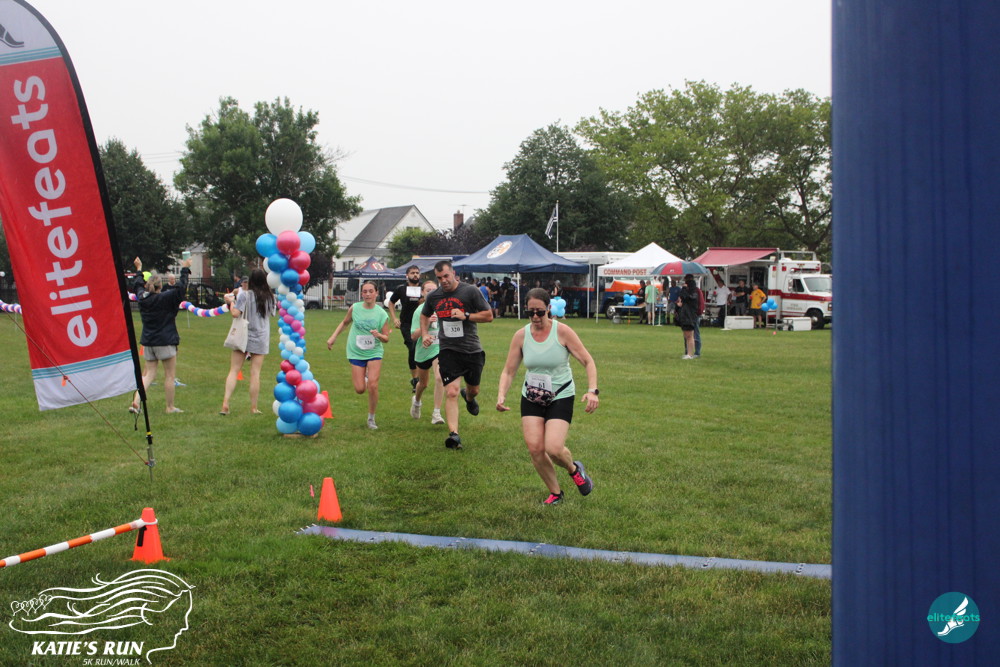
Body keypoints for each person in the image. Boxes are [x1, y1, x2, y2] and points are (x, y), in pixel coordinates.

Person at [496, 288, 598, 505]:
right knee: (535, 448)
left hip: (560, 394)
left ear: (549, 309)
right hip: (532, 395)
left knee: (553, 448)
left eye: (540, 312)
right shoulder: (521, 336)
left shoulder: (563, 332)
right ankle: (556, 493)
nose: (535, 317)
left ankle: (574, 469)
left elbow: (588, 361)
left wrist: (592, 390)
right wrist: (501, 395)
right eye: (530, 312)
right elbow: (509, 371)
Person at [419, 260, 493, 449]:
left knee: (474, 389)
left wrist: (466, 315)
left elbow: (488, 315)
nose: (443, 280)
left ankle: (469, 397)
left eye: (446, 276)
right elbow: (424, 315)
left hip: (471, 350)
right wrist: (425, 334)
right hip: (448, 350)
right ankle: (454, 435)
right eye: (439, 278)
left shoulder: (470, 291)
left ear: (453, 273)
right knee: (451, 391)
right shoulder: (434, 296)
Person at [129, 257, 192, 414]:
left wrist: (139, 269)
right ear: (160, 286)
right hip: (165, 340)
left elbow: (137, 285)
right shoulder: (165, 298)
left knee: (149, 375)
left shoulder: (143, 298)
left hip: (149, 342)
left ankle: (136, 401)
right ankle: (170, 407)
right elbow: (181, 288)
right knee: (169, 376)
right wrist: (184, 269)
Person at [326, 281, 391, 429]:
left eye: (371, 291)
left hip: (374, 351)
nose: (367, 294)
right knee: (360, 389)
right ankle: (365, 376)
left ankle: (371, 418)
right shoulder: (355, 308)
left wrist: (379, 335)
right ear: (361, 294)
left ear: (376, 293)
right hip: (356, 351)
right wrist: (333, 337)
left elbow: (386, 338)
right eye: (365, 291)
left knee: (373, 386)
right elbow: (345, 323)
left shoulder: (381, 313)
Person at [220, 269, 276, 415]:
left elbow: (235, 313)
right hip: (261, 336)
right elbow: (272, 314)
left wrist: (231, 302)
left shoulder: (245, 295)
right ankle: (253, 407)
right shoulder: (270, 297)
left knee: (234, 370)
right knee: (255, 373)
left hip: (243, 335)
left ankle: (225, 403)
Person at [410, 280, 445, 424]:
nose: (431, 293)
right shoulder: (419, 311)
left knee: (440, 377)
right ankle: (417, 401)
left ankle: (436, 413)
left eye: (434, 290)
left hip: (439, 348)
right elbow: (413, 336)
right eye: (428, 290)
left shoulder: (443, 307)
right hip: (424, 350)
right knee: (423, 384)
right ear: (422, 293)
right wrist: (428, 322)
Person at [387, 265, 424, 393]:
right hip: (407, 324)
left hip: (422, 323)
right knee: (412, 348)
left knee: (420, 349)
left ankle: (421, 378)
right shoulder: (401, 289)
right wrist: (394, 318)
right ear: (407, 275)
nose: (415, 275)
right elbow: (391, 302)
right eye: (412, 273)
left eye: (417, 272)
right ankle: (415, 379)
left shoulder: (423, 288)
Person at [676, 274, 699, 359]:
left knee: (689, 336)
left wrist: (684, 288)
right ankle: (689, 353)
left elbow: (684, 296)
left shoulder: (692, 294)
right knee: (687, 336)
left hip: (689, 316)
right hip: (686, 316)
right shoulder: (692, 294)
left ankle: (690, 354)